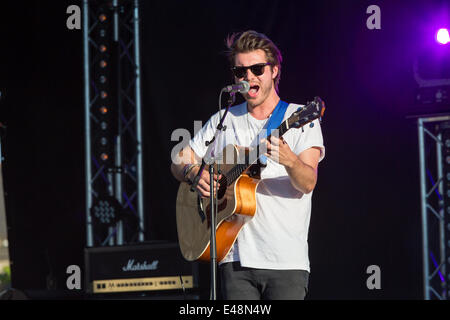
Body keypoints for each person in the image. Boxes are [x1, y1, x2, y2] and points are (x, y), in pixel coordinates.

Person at [171, 30, 325, 300]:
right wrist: (194, 173)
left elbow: (308, 183)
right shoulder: (225, 118)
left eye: (257, 69)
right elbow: (179, 159)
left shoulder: (301, 118)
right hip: (234, 258)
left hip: (285, 262)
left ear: (275, 70)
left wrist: (289, 160)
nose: (248, 77)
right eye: (241, 72)